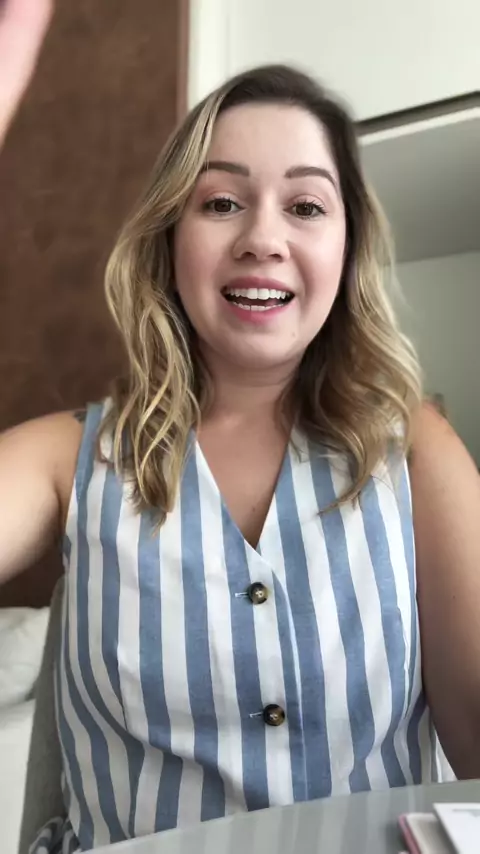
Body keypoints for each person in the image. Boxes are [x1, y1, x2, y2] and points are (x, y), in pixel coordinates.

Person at [2, 1, 480, 852]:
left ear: (346, 247)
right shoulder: (62, 457)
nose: (263, 237)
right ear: (169, 240)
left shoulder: (415, 449)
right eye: (221, 202)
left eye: (306, 206)